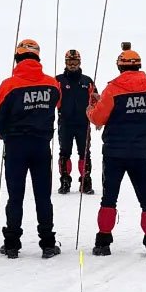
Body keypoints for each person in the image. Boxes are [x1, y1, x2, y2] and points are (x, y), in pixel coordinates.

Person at [0, 39, 62, 259]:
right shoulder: (52, 84)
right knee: (43, 196)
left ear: (17, 58)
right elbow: (57, 105)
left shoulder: (8, 85)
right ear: (37, 59)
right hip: (41, 146)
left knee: (15, 197)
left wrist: (5, 136)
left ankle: (11, 244)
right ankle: (48, 243)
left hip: (16, 147)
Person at [86, 43, 146, 258]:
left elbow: (99, 117)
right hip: (141, 151)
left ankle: (103, 242)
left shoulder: (113, 89)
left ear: (119, 67)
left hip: (114, 152)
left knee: (109, 198)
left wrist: (92, 108)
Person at [56, 49, 96, 195]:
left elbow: (96, 101)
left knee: (84, 153)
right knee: (64, 152)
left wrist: (97, 119)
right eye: (69, 62)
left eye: (75, 62)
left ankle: (85, 181)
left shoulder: (87, 81)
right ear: (65, 63)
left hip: (83, 123)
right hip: (65, 123)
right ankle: (65, 180)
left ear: (79, 63)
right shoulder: (58, 80)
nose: (72, 65)